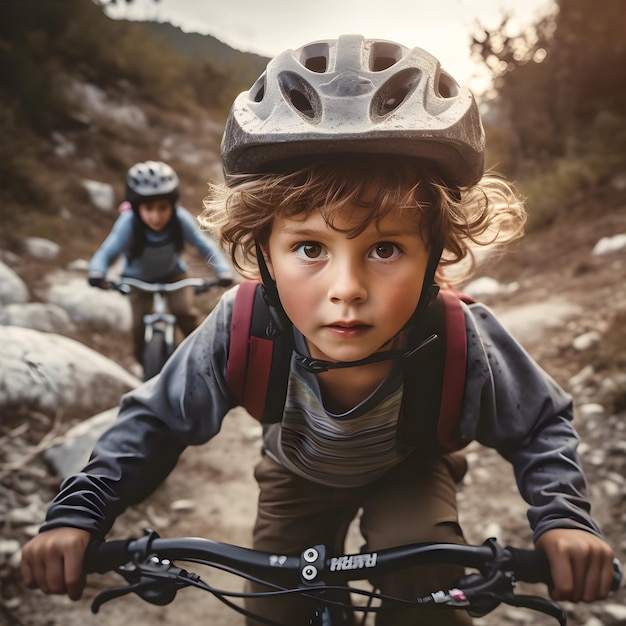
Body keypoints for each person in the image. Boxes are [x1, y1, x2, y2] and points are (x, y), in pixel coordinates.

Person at [21, 36, 616, 626]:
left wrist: (563, 520)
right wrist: (79, 515)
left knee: (425, 589)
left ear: (437, 253)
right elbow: (154, 419)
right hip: (295, 474)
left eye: (385, 248)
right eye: (309, 247)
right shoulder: (245, 322)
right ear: (263, 252)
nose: (347, 288)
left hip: (408, 469)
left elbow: (538, 422)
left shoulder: (462, 334)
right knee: (274, 606)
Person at [86, 160, 234, 362]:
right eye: (148, 208)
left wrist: (223, 270)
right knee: (138, 327)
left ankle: (206, 355)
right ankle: (144, 364)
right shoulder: (128, 223)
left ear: (172, 205)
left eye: (163, 207)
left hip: (174, 276)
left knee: (185, 313)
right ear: (136, 206)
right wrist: (97, 271)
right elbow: (108, 251)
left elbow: (204, 245)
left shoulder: (179, 219)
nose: (156, 216)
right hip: (137, 282)